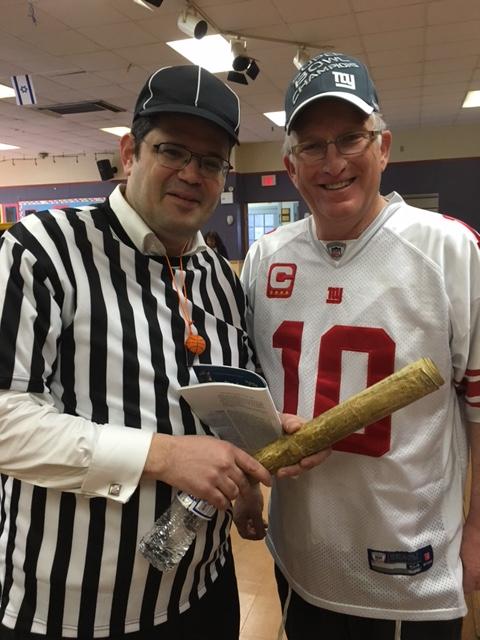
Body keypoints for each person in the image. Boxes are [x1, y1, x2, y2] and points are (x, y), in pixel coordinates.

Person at [0, 65, 326, 640]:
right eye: (172, 150)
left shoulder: (218, 276)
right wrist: (161, 454)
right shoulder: (40, 251)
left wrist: (258, 450)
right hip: (70, 608)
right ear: (130, 153)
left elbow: (222, 399)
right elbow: (6, 419)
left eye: (211, 161)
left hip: (202, 589)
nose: (191, 174)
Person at [237, 51, 480, 639]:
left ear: (384, 147)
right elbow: (250, 399)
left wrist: (478, 531)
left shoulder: (449, 250)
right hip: (299, 557)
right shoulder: (264, 259)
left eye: (351, 138)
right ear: (290, 165)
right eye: (312, 146)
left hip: (410, 571)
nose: (333, 162)